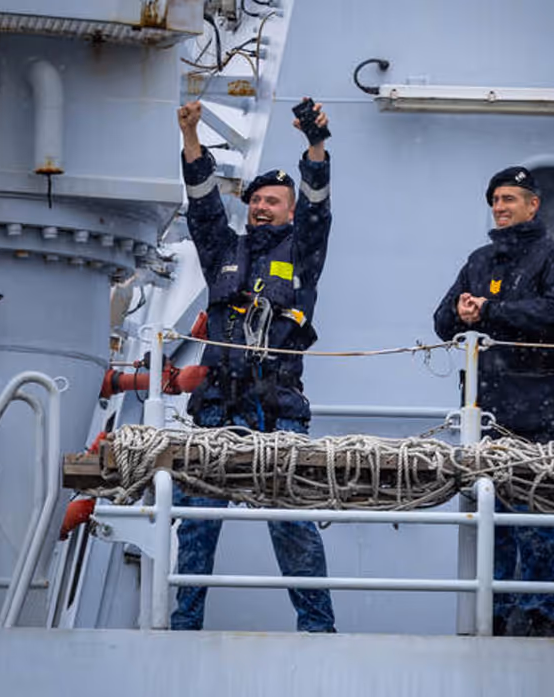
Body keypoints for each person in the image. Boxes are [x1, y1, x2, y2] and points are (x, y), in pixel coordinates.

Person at [171, 98, 335, 632]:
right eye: (257, 199)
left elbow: (319, 209)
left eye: (274, 201)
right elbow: (202, 207)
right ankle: (184, 626)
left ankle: (318, 630)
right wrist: (191, 135)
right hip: (218, 408)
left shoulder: (305, 253)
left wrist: (315, 146)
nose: (262, 207)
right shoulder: (223, 249)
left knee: (292, 524)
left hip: (279, 408)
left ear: (290, 210)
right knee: (196, 525)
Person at [433, 166, 554, 637]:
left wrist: (493, 311)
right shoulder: (480, 261)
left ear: (532, 205)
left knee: (538, 515)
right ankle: (493, 612)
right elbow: (441, 321)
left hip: (539, 414)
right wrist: (461, 313)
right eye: (495, 200)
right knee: (492, 518)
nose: (499, 207)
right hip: (488, 416)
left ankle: (540, 615)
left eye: (509, 199)